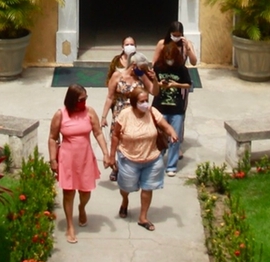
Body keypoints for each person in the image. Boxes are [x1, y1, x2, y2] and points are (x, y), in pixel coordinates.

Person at [47, 84, 112, 243]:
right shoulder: (60, 115)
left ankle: (82, 207)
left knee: (85, 191)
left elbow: (98, 133)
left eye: (86, 98)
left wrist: (105, 153)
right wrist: (53, 159)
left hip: (85, 158)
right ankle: (70, 226)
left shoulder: (89, 112)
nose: (84, 102)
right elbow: (52, 138)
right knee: (68, 192)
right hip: (67, 158)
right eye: (81, 99)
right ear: (72, 100)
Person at [111, 86, 177, 230]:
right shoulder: (125, 114)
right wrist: (111, 156)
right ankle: (125, 201)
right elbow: (115, 135)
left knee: (148, 188)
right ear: (134, 102)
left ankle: (143, 217)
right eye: (142, 101)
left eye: (147, 100)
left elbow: (165, 125)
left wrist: (172, 132)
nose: (145, 103)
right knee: (126, 186)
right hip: (129, 158)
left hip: (152, 158)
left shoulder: (152, 112)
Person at [152, 24, 195, 176]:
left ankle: (171, 166)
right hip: (160, 106)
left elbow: (189, 83)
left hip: (176, 106)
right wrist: (159, 84)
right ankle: (157, 161)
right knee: (159, 135)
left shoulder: (181, 68)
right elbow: (152, 82)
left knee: (174, 136)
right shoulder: (158, 66)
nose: (169, 61)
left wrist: (176, 85)